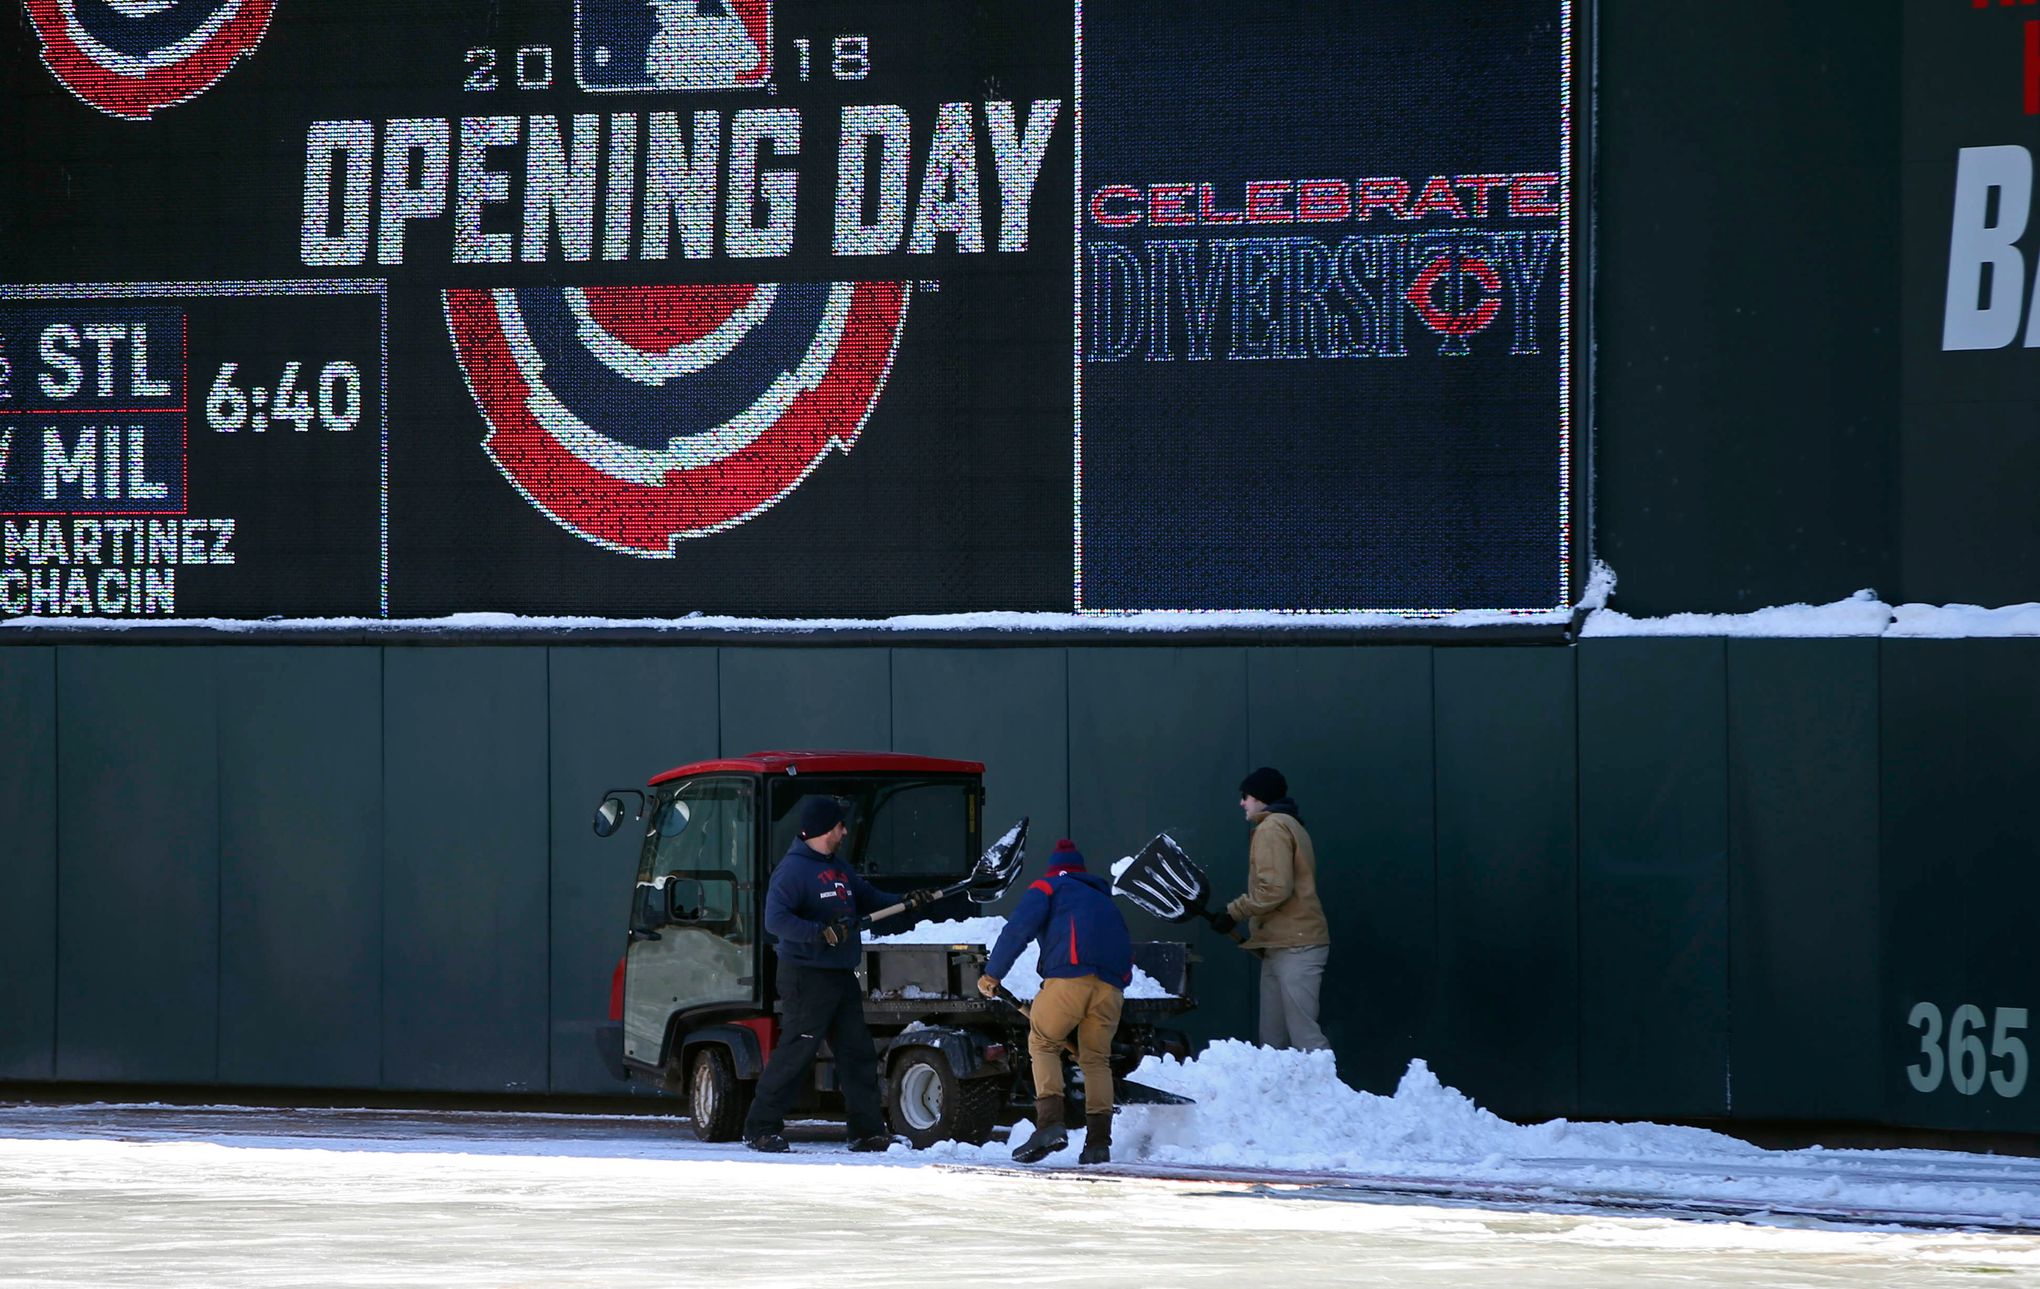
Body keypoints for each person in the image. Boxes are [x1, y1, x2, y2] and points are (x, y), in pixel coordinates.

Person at [743, 795, 939, 1153]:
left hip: (840, 975)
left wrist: (909, 901)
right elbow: (776, 921)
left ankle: (866, 1131)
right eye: (839, 826)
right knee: (795, 1053)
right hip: (805, 975)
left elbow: (870, 899)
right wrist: (820, 932)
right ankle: (760, 1128)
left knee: (857, 1053)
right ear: (821, 830)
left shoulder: (838, 868)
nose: (844, 832)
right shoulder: (792, 870)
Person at [977, 839, 1132, 1165]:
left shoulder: (1048, 886)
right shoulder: (1104, 900)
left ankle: (1050, 1125)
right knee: (1095, 1060)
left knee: (1043, 1040)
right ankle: (1098, 1143)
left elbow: (1019, 929)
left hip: (1069, 979)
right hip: (1112, 988)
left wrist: (993, 974)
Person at [1210, 767, 1331, 1052]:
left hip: (1297, 947)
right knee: (1272, 1046)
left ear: (1260, 797)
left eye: (1246, 796)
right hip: (1281, 946)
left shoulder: (1272, 827)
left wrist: (1233, 912)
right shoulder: (1288, 825)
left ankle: (1325, 1094)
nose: (1242, 802)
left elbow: (1275, 888)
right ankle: (1283, 1097)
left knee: (1305, 1039)